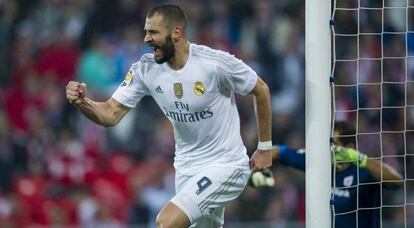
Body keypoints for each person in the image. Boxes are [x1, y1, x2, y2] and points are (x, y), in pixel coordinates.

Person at [65, 4, 273, 228]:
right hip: (186, 169)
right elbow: (109, 114)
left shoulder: (214, 63)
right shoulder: (145, 70)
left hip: (226, 165)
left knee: (166, 222)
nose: (146, 39)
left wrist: (264, 147)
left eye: (153, 32)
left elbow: (260, 89)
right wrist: (82, 102)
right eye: (146, 31)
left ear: (176, 33)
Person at [250, 121, 403, 228]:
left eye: (333, 144)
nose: (329, 149)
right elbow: (280, 152)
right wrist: (251, 164)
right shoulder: (319, 163)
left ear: (349, 147)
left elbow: (397, 181)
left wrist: (360, 159)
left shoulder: (365, 173)